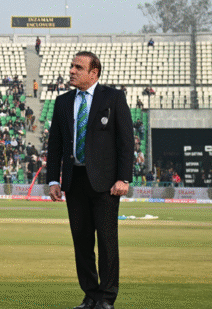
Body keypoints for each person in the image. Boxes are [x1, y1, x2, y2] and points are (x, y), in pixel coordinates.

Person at [47, 51, 133, 309]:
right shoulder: (63, 101)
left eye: (78, 67)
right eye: (71, 66)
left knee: (107, 242)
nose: (71, 71)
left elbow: (126, 141)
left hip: (106, 183)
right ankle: (90, 296)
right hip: (74, 180)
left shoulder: (113, 97)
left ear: (93, 73)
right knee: (82, 242)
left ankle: (106, 298)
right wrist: (53, 180)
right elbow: (55, 144)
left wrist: (124, 178)